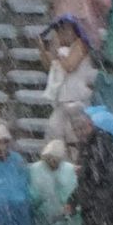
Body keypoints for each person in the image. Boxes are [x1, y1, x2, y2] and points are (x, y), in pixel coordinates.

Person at [41, 16, 96, 144]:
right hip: (62, 102)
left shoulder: (81, 44)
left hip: (78, 102)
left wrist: (57, 53)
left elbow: (70, 66)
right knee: (53, 133)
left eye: (65, 29)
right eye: (60, 30)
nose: (62, 33)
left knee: (75, 138)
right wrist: (42, 49)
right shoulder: (62, 50)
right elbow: (49, 66)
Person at [28, 139, 82, 225]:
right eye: (50, 159)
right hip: (41, 213)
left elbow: (73, 193)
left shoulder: (69, 169)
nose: (53, 162)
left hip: (65, 212)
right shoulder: (35, 169)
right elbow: (33, 196)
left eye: (56, 160)